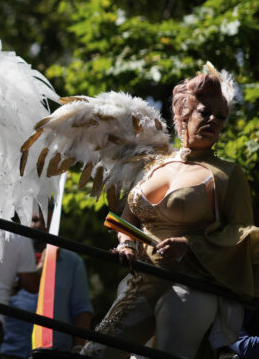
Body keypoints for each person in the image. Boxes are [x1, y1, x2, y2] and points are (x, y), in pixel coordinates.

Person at [82, 72, 259, 358]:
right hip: (142, 280)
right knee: (95, 352)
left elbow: (244, 235)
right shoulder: (154, 164)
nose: (214, 120)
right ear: (185, 113)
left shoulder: (228, 174)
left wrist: (190, 245)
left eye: (222, 116)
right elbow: (129, 216)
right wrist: (126, 243)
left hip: (190, 287)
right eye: (206, 112)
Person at [0, 206, 93, 358]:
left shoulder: (73, 262)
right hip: (10, 348)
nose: (40, 226)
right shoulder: (9, 254)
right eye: (35, 220)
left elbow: (82, 309)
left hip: (54, 352)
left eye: (47, 222)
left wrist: (79, 347)